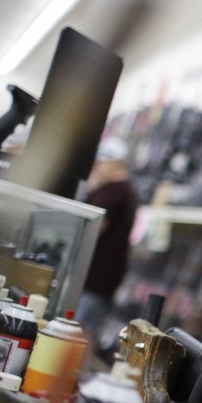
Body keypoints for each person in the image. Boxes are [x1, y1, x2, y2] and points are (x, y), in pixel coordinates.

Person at [74, 136, 138, 349]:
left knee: (75, 334)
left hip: (94, 280)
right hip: (99, 281)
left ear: (111, 163)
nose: (97, 169)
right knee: (82, 334)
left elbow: (93, 228)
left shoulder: (114, 191)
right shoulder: (123, 191)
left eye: (99, 164)